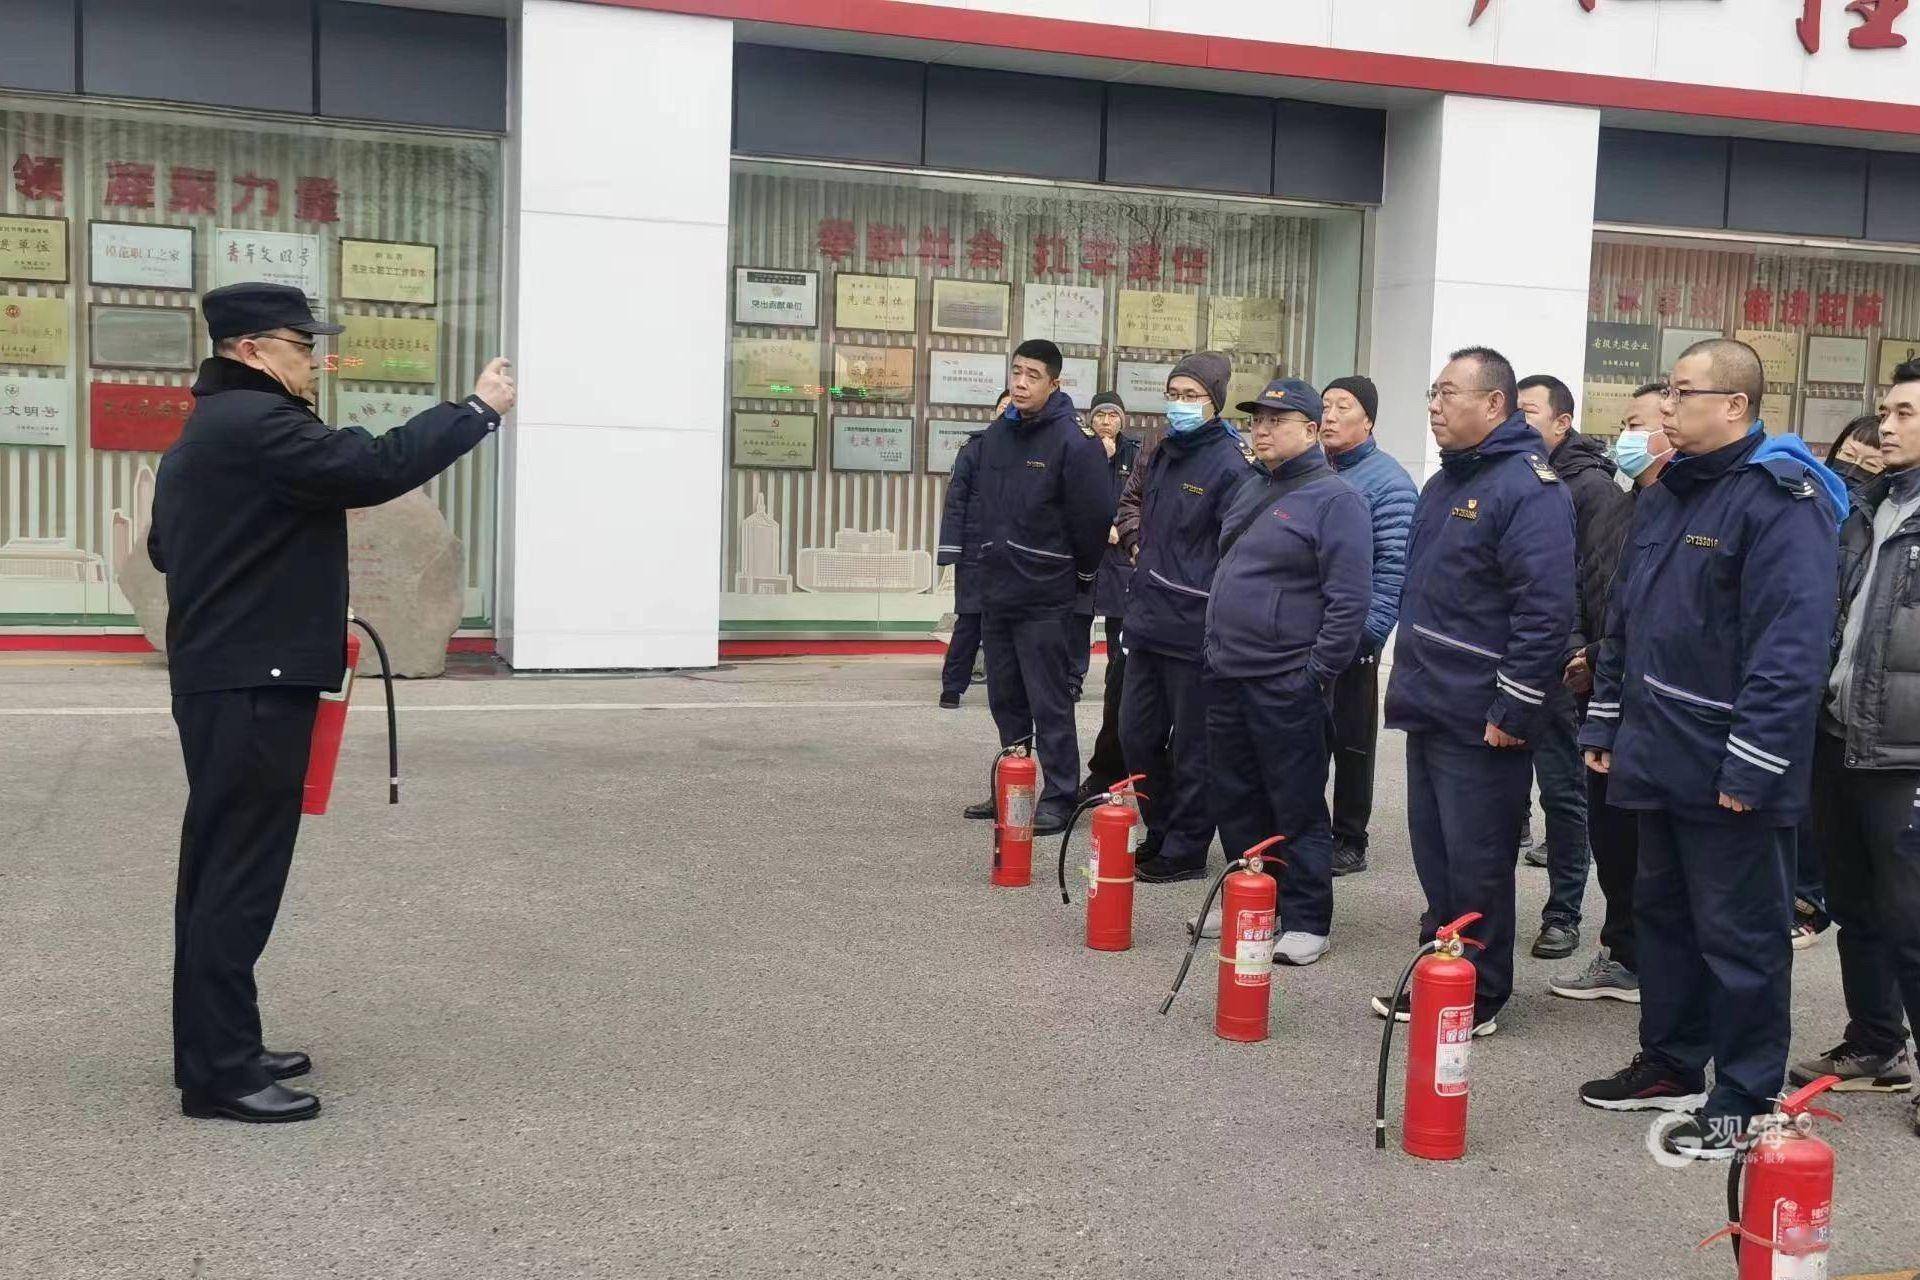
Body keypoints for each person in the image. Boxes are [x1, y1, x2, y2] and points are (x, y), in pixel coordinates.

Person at [150, 282, 514, 1123]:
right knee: (240, 874)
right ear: (250, 350)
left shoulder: (205, 433)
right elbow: (369, 468)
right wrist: (476, 411)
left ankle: (216, 1042)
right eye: (301, 344)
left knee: (215, 868)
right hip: (250, 684)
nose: (315, 359)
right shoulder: (260, 425)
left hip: (222, 677)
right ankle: (222, 1074)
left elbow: (169, 548)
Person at [1577, 338, 1843, 1162]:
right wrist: (1605, 725)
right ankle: (1672, 1060)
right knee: (1664, 919)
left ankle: (1745, 1095)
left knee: (1740, 936)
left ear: (1735, 406)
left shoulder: (1779, 499)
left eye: (1683, 394)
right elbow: (1628, 623)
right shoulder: (1665, 494)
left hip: (1729, 764)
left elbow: (1791, 648)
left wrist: (1754, 766)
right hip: (1657, 752)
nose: (1664, 411)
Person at [1372, 346, 1575, 1037]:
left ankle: (1480, 993)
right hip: (1430, 699)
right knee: (1435, 852)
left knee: (1479, 858)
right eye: (1432, 392)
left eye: (1449, 393)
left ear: (1494, 404)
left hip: (1482, 712)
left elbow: (1544, 610)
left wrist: (1514, 706)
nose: (1434, 405)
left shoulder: (1527, 487)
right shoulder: (1448, 482)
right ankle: (1442, 967)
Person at [1195, 379, 1370, 964]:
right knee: (1235, 796)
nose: (1262, 429)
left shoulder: (1337, 499)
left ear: (1312, 428)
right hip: (1227, 673)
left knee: (1294, 802)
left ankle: (1305, 917)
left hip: (1286, 679)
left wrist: (1314, 672)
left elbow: (1348, 603)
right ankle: (1253, 900)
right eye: (1256, 419)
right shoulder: (1250, 489)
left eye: (1277, 418)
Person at [1788, 365, 1920, 1139]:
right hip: (1843, 737)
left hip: (1906, 754)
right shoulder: (1873, 508)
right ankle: (1875, 1043)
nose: (1888, 427)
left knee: (1912, 920)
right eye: (1885, 412)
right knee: (1860, 907)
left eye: (1905, 413)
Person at [1550, 381, 1671, 1004]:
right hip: (1595, 689)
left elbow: (1656, 615)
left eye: (1638, 424)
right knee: (1610, 834)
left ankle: (1641, 956)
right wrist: (1579, 650)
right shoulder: (1621, 504)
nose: (1624, 437)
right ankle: (1622, 950)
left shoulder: (1679, 511)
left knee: (1640, 842)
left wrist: (1596, 656)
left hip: (1640, 698)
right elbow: (1581, 581)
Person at [1118, 352, 1257, 882]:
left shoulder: (1233, 462)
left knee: (1195, 747)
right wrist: (1134, 542)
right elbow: (1129, 503)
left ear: (1214, 402)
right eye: (1173, 394)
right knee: (1137, 735)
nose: (1178, 405)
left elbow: (1238, 546)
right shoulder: (1160, 449)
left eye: (1190, 396)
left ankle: (1188, 847)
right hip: (1148, 618)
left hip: (1196, 628)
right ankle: (1160, 829)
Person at [962, 341, 1111, 834]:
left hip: (1046, 594)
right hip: (998, 589)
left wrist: (1079, 578)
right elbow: (982, 505)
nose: (1021, 383)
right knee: (1005, 697)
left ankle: (1061, 793)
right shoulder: (997, 437)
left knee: (1049, 701)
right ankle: (1014, 784)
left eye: (1032, 375)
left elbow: (1092, 520)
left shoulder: (1074, 441)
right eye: (1016, 372)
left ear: (1055, 384)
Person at [1513, 373, 1633, 961]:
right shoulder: (1512, 476)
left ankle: (1563, 913)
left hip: (1561, 666)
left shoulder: (1593, 491)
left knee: (1564, 795)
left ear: (1562, 423)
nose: (1518, 419)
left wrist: (1575, 651)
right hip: (1512, 659)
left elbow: (1595, 584)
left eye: (1529, 411)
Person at [1790, 415, 1886, 944]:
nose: (1855, 467)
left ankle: (1812, 899)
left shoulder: (1875, 519)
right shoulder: (1817, 503)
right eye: (1850, 453)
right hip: (1816, 674)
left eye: (1868, 463)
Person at [1320, 375, 1416, 877]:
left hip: (1354, 637)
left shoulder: (1388, 481)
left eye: (1344, 407)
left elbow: (1393, 567)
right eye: (1326, 406)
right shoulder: (1312, 470)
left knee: (1352, 740)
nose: (1330, 416)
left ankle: (1349, 836)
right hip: (1307, 633)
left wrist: (1368, 634)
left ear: (1369, 420)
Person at [1078, 391, 1142, 797]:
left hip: (1122, 555)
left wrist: (1123, 527)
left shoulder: (1134, 453)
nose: (1106, 421)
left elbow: (1136, 499)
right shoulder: (1082, 451)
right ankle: (1073, 676)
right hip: (1088, 551)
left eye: (1113, 415)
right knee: (1077, 620)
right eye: (1100, 414)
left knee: (1121, 636)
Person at [936, 390, 1009, 709]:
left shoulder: (1036, 450)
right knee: (969, 621)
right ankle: (952, 686)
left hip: (1016, 555)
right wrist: (951, 550)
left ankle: (1007, 689)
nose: (1010, 411)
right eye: (1004, 407)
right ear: (995, 412)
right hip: (976, 553)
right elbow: (956, 502)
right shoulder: (974, 449)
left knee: (1010, 624)